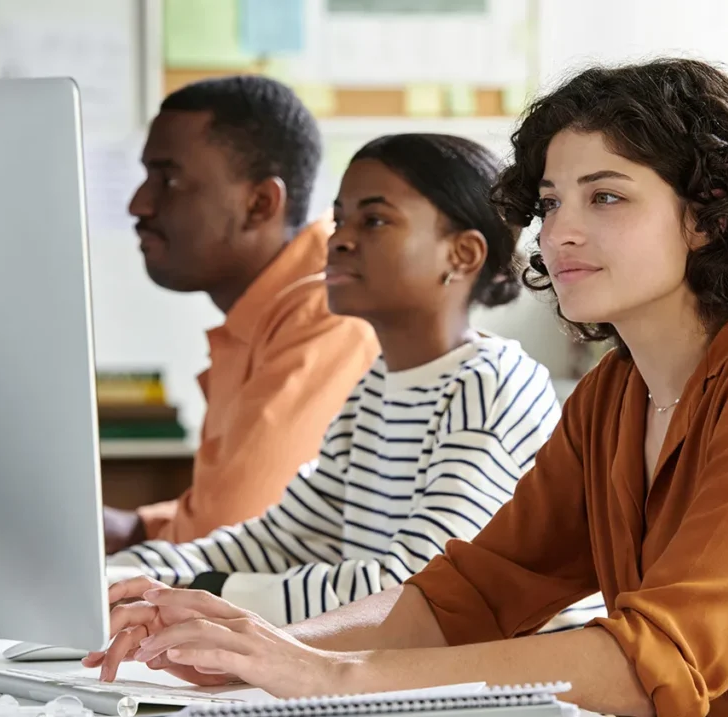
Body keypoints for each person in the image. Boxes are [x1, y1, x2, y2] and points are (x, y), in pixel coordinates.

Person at [91, 60, 728, 715]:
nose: (560, 230)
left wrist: (324, 672)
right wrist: (257, 643)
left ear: (706, 215)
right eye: (552, 199)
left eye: (606, 197)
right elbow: (476, 593)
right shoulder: (616, 394)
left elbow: (652, 664)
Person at [86, 132, 605, 679]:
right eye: (339, 219)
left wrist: (202, 593)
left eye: (374, 221)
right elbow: (280, 538)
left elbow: (414, 585)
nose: (340, 240)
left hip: (513, 691)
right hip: (397, 675)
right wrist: (124, 577)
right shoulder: (377, 385)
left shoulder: (492, 384)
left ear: (462, 254)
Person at [103, 76, 378, 552]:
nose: (139, 204)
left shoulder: (331, 310)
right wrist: (135, 527)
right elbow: (233, 517)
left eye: (168, 179)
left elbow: (232, 539)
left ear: (259, 204)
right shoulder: (267, 311)